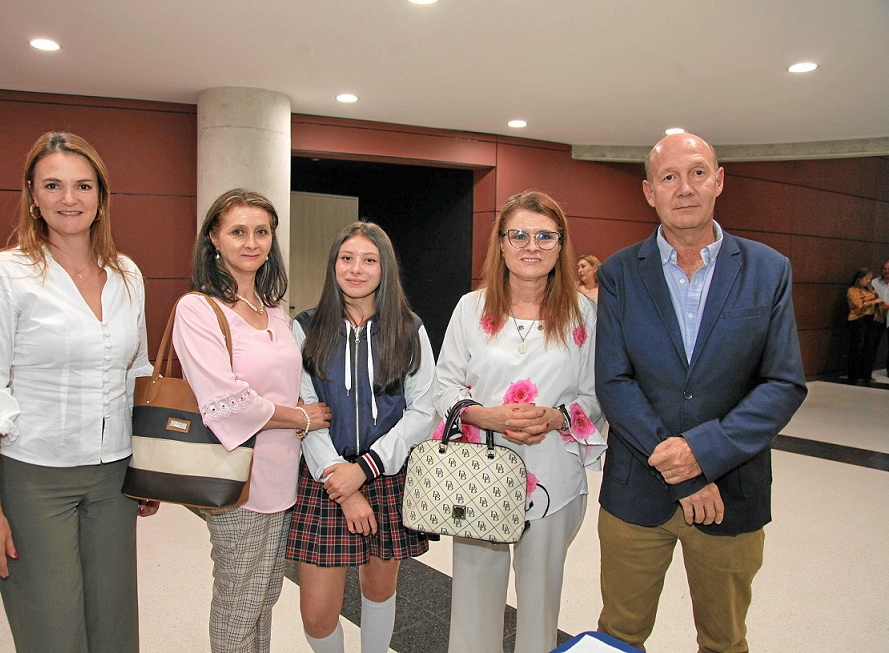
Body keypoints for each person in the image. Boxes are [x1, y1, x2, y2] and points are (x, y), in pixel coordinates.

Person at [0, 131, 158, 652]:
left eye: (83, 185)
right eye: (53, 185)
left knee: (115, 627)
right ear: (32, 196)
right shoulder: (7, 274)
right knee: (51, 629)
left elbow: (138, 375)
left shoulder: (126, 275)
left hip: (113, 479)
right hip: (34, 476)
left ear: (101, 197)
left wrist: (148, 469)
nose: (69, 199)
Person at [594, 132, 808, 653]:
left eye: (696, 173)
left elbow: (783, 382)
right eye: (668, 177)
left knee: (724, 640)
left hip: (731, 492)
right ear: (649, 192)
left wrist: (702, 453)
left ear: (718, 181)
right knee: (619, 635)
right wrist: (677, 464)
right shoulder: (620, 272)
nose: (683, 188)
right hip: (635, 494)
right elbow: (614, 381)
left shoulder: (767, 270)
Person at [433, 190, 606, 653]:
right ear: (502, 244)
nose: (532, 246)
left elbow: (595, 396)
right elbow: (444, 385)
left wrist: (554, 417)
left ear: (561, 244)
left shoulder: (583, 314)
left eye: (545, 236)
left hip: (552, 477)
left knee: (541, 601)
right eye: (520, 235)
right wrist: (486, 414)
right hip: (479, 475)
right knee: (472, 597)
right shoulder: (470, 309)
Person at [172, 188, 331, 653]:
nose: (251, 242)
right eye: (238, 231)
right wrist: (300, 417)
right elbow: (228, 403)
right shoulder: (199, 309)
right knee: (239, 601)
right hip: (234, 477)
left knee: (264, 596)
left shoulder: (274, 310)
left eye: (262, 232)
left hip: (282, 475)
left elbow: (291, 380)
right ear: (214, 240)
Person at [287, 221, 435, 653]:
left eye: (369, 260)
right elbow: (305, 411)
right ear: (334, 264)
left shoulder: (408, 328)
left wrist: (366, 470)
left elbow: (423, 409)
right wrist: (341, 478)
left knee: (378, 590)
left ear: (384, 268)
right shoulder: (306, 327)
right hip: (325, 478)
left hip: (385, 476)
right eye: (346, 258)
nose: (356, 269)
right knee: (317, 614)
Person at [845, 268, 884, 384]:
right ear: (859, 279)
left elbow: (877, 300)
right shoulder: (852, 290)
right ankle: (853, 375)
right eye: (866, 279)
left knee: (869, 347)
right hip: (858, 319)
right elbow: (858, 305)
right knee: (857, 346)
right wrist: (872, 301)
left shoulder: (870, 290)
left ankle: (865, 374)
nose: (868, 281)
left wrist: (871, 300)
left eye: (870, 279)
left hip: (870, 319)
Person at [871, 260, 889, 375]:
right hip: (877, 317)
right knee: (873, 344)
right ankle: (867, 370)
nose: (886, 271)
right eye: (884, 269)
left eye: (888, 269)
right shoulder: (873, 283)